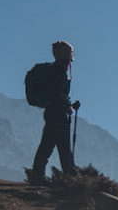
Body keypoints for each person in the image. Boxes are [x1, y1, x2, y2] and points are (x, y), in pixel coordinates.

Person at [27, 41, 80, 184]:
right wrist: (69, 106)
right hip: (59, 115)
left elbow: (55, 94)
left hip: (51, 113)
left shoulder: (53, 70)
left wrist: (68, 105)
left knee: (46, 146)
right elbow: (58, 94)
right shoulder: (59, 71)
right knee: (64, 149)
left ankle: (37, 175)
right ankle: (70, 179)